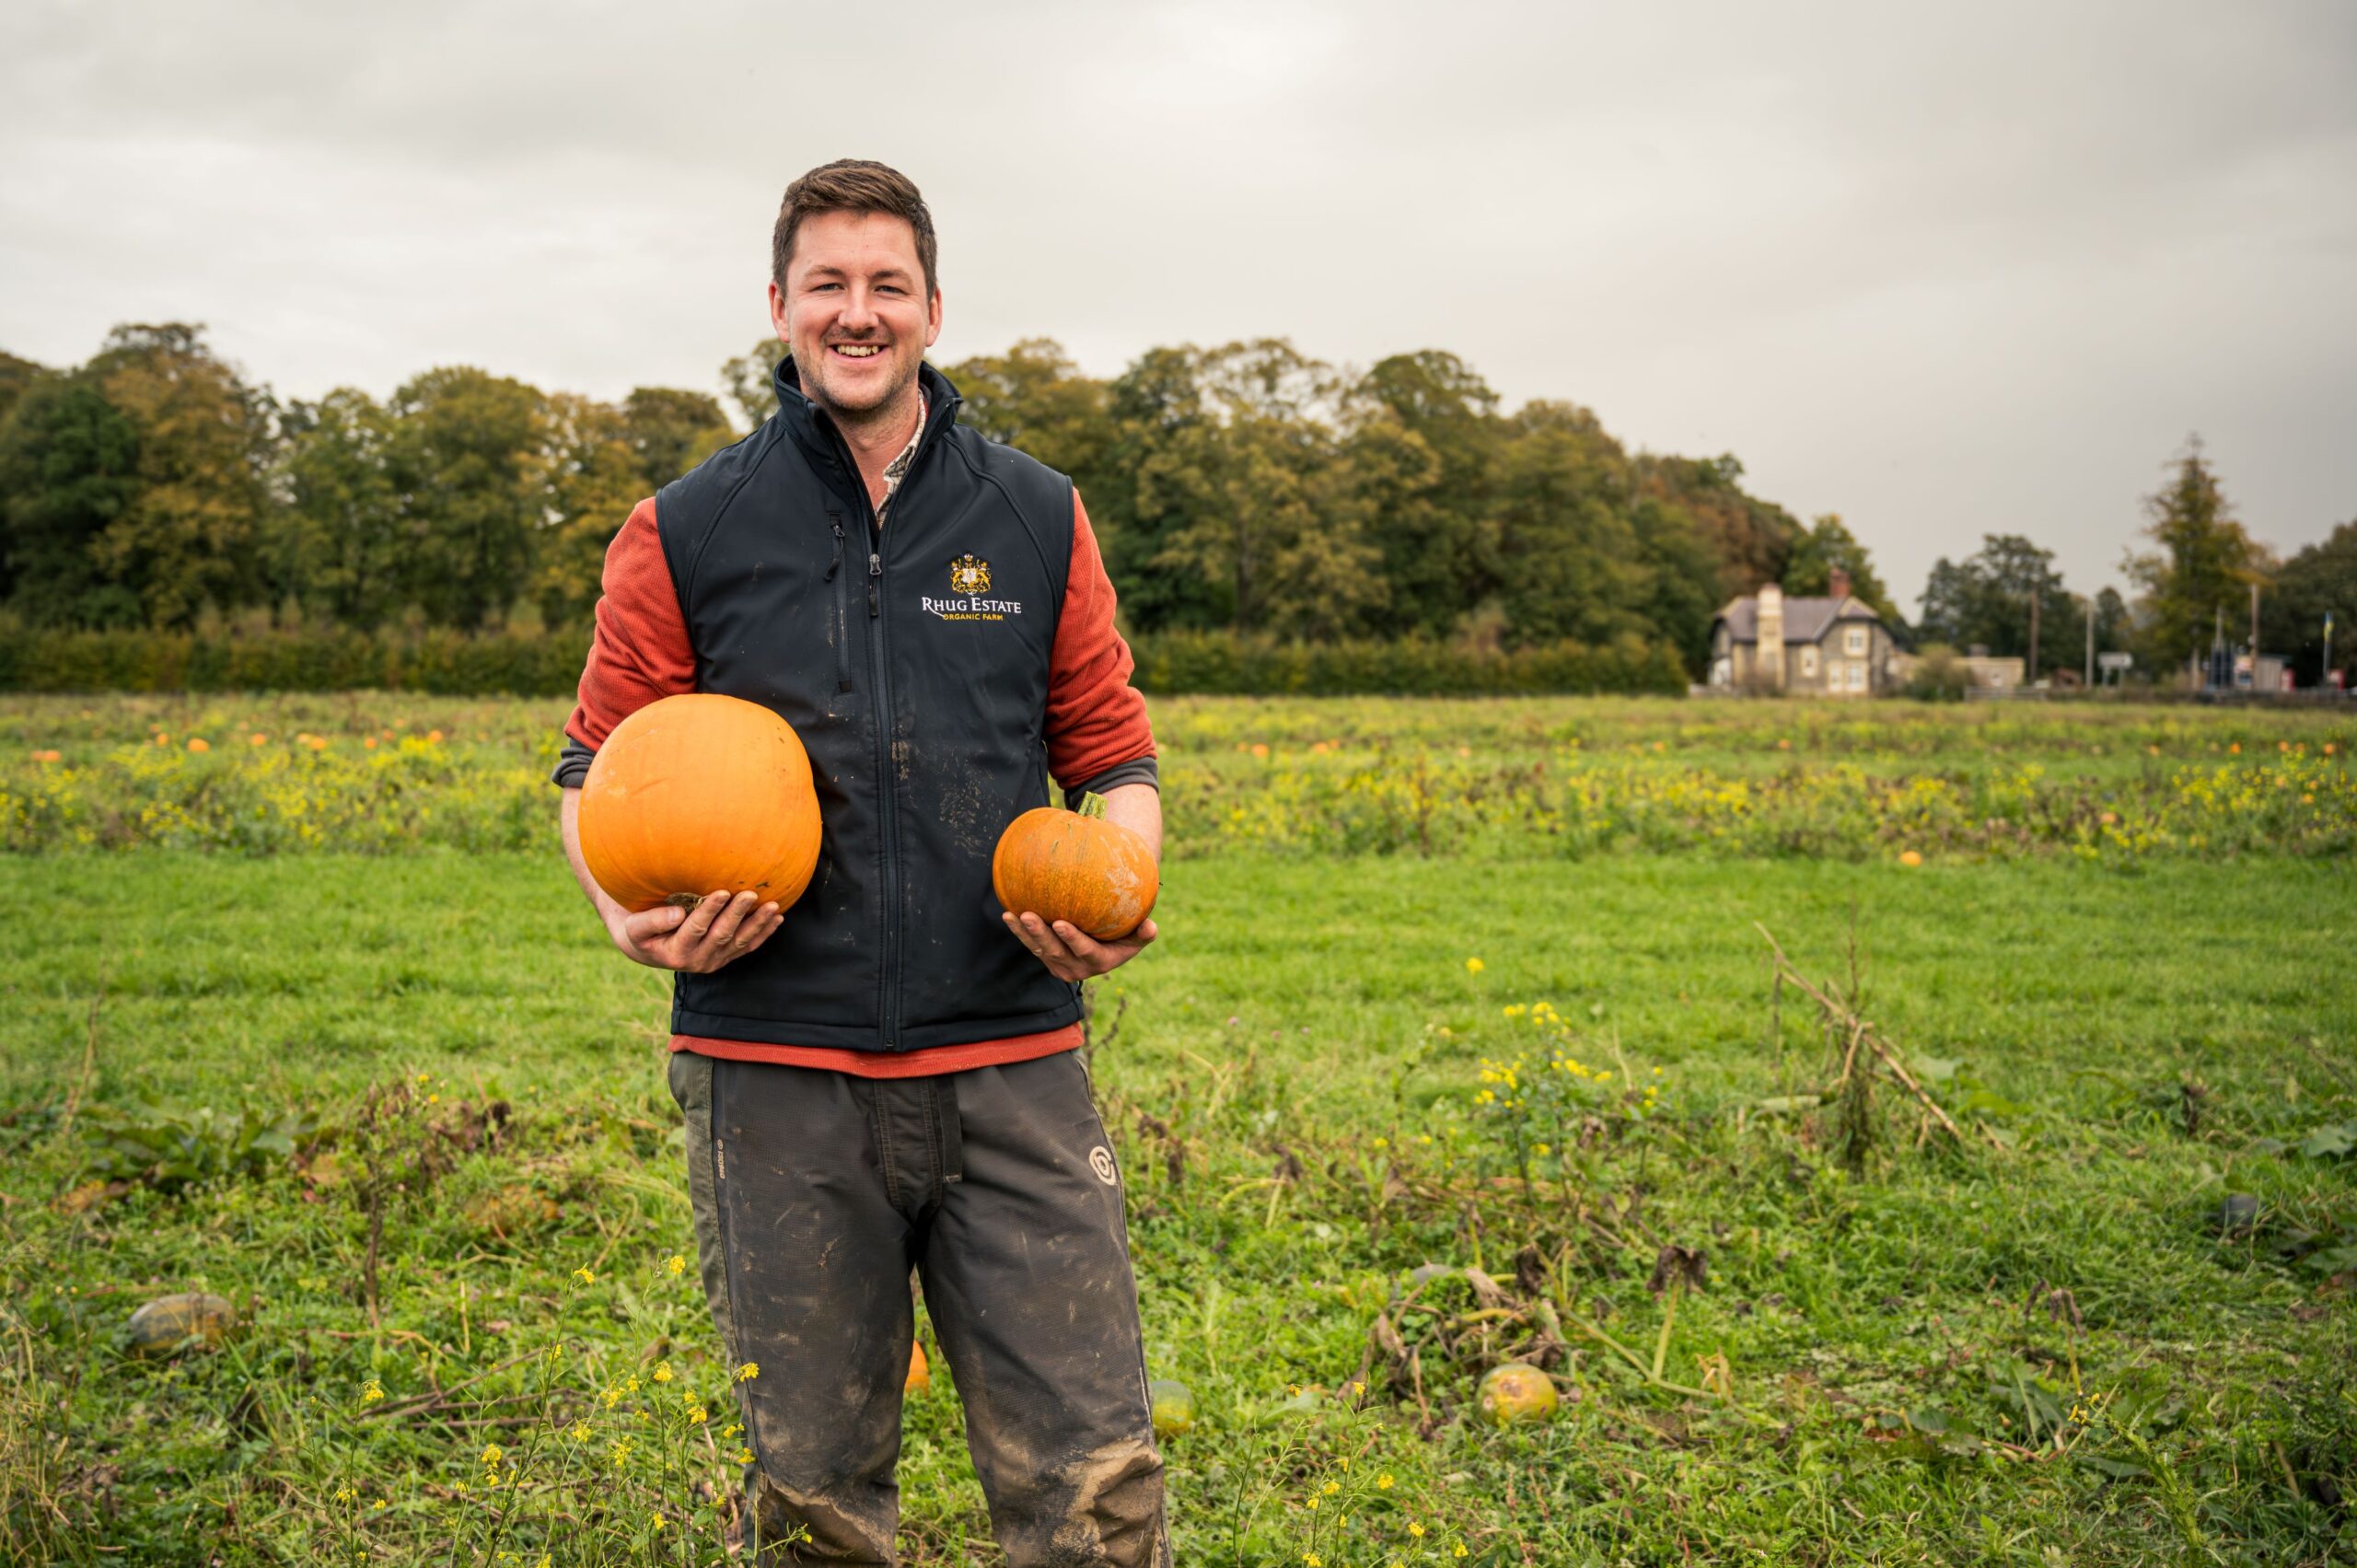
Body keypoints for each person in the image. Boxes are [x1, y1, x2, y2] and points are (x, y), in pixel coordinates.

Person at [552, 159, 1167, 1566]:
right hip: (775, 1070)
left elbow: (1111, 749)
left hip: (1008, 1053)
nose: (857, 311)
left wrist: (1120, 886)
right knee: (816, 1498)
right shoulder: (686, 527)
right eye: (827, 283)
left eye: (886, 284)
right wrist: (615, 912)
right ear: (779, 307)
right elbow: (593, 764)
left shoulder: (1034, 514)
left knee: (1094, 1478)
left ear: (933, 310)